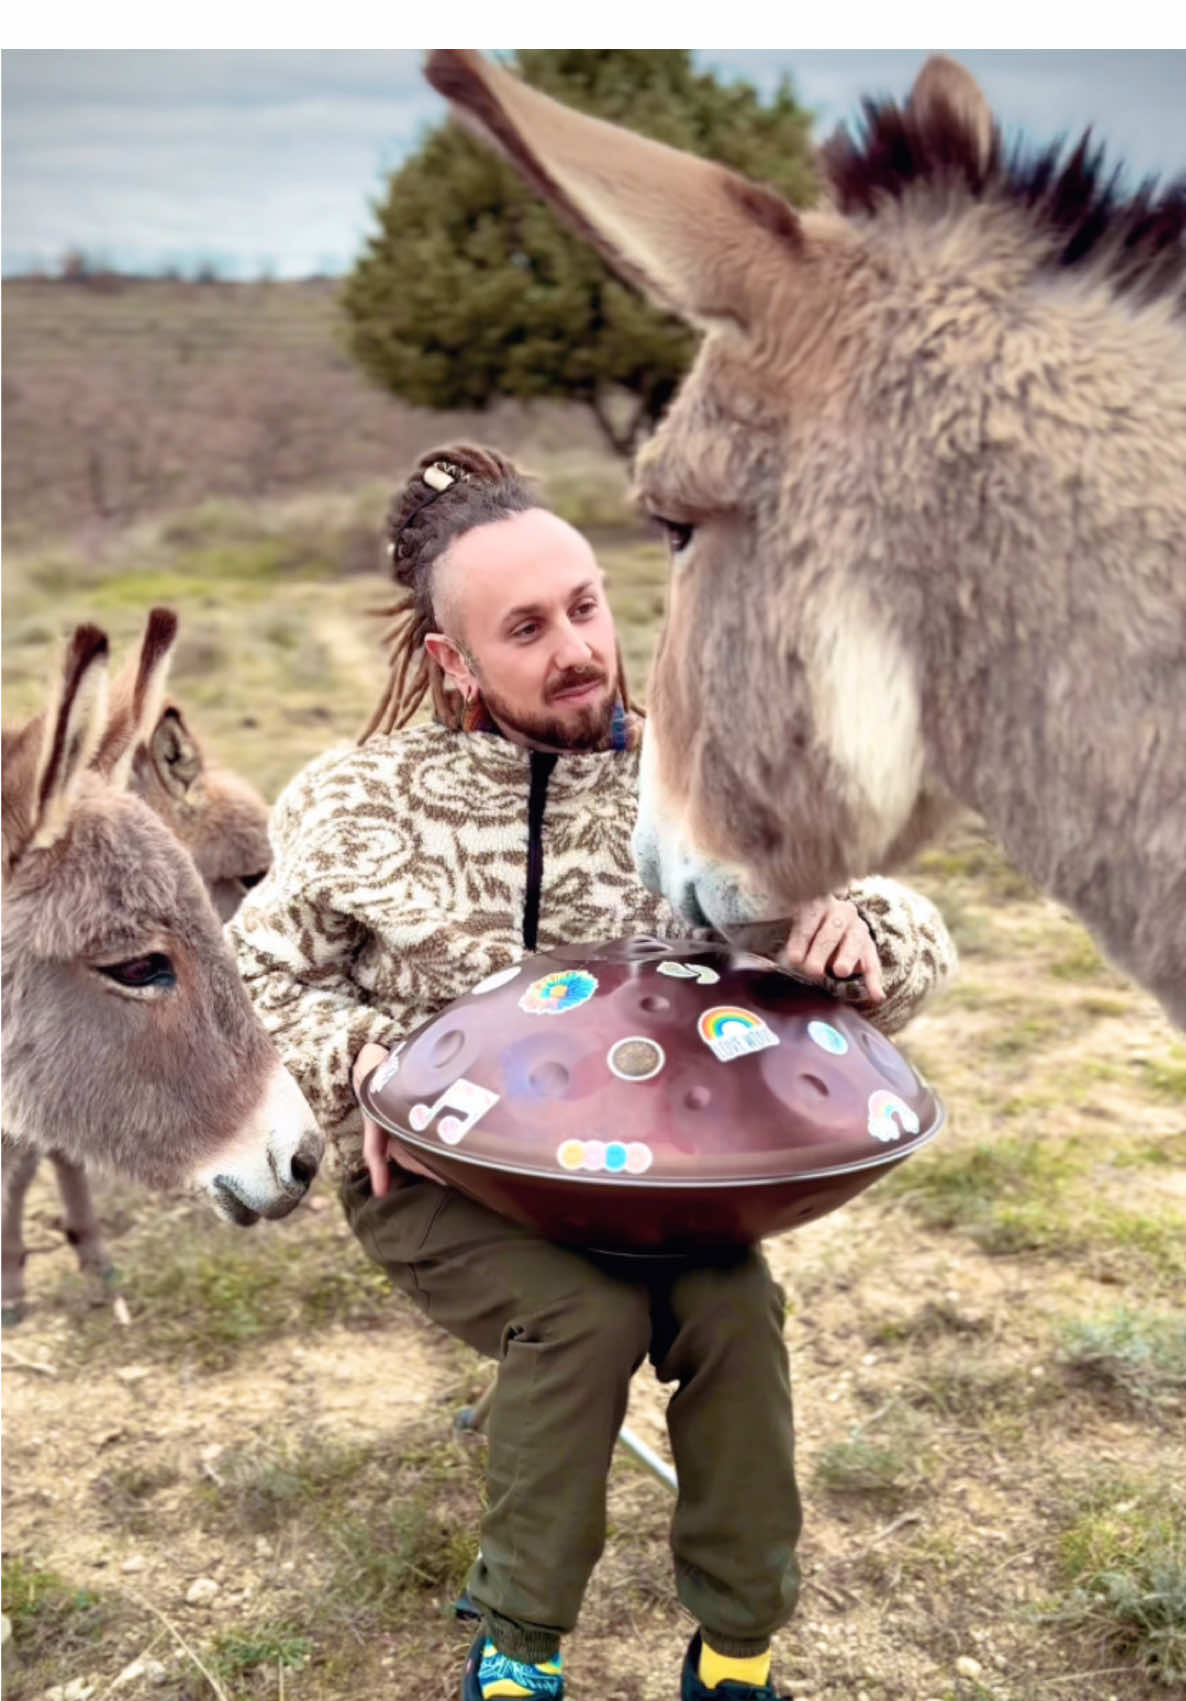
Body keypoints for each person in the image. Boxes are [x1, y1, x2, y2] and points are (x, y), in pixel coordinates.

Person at [228, 443, 957, 1701]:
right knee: (582, 1317)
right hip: (437, 1176)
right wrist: (370, 1065)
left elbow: (913, 932)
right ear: (455, 661)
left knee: (734, 1312)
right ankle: (520, 1648)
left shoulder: (698, 777)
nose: (574, 646)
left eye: (583, 606)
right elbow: (251, 981)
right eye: (524, 628)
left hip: (653, 1179)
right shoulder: (360, 800)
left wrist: (854, 934)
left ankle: (736, 1648)